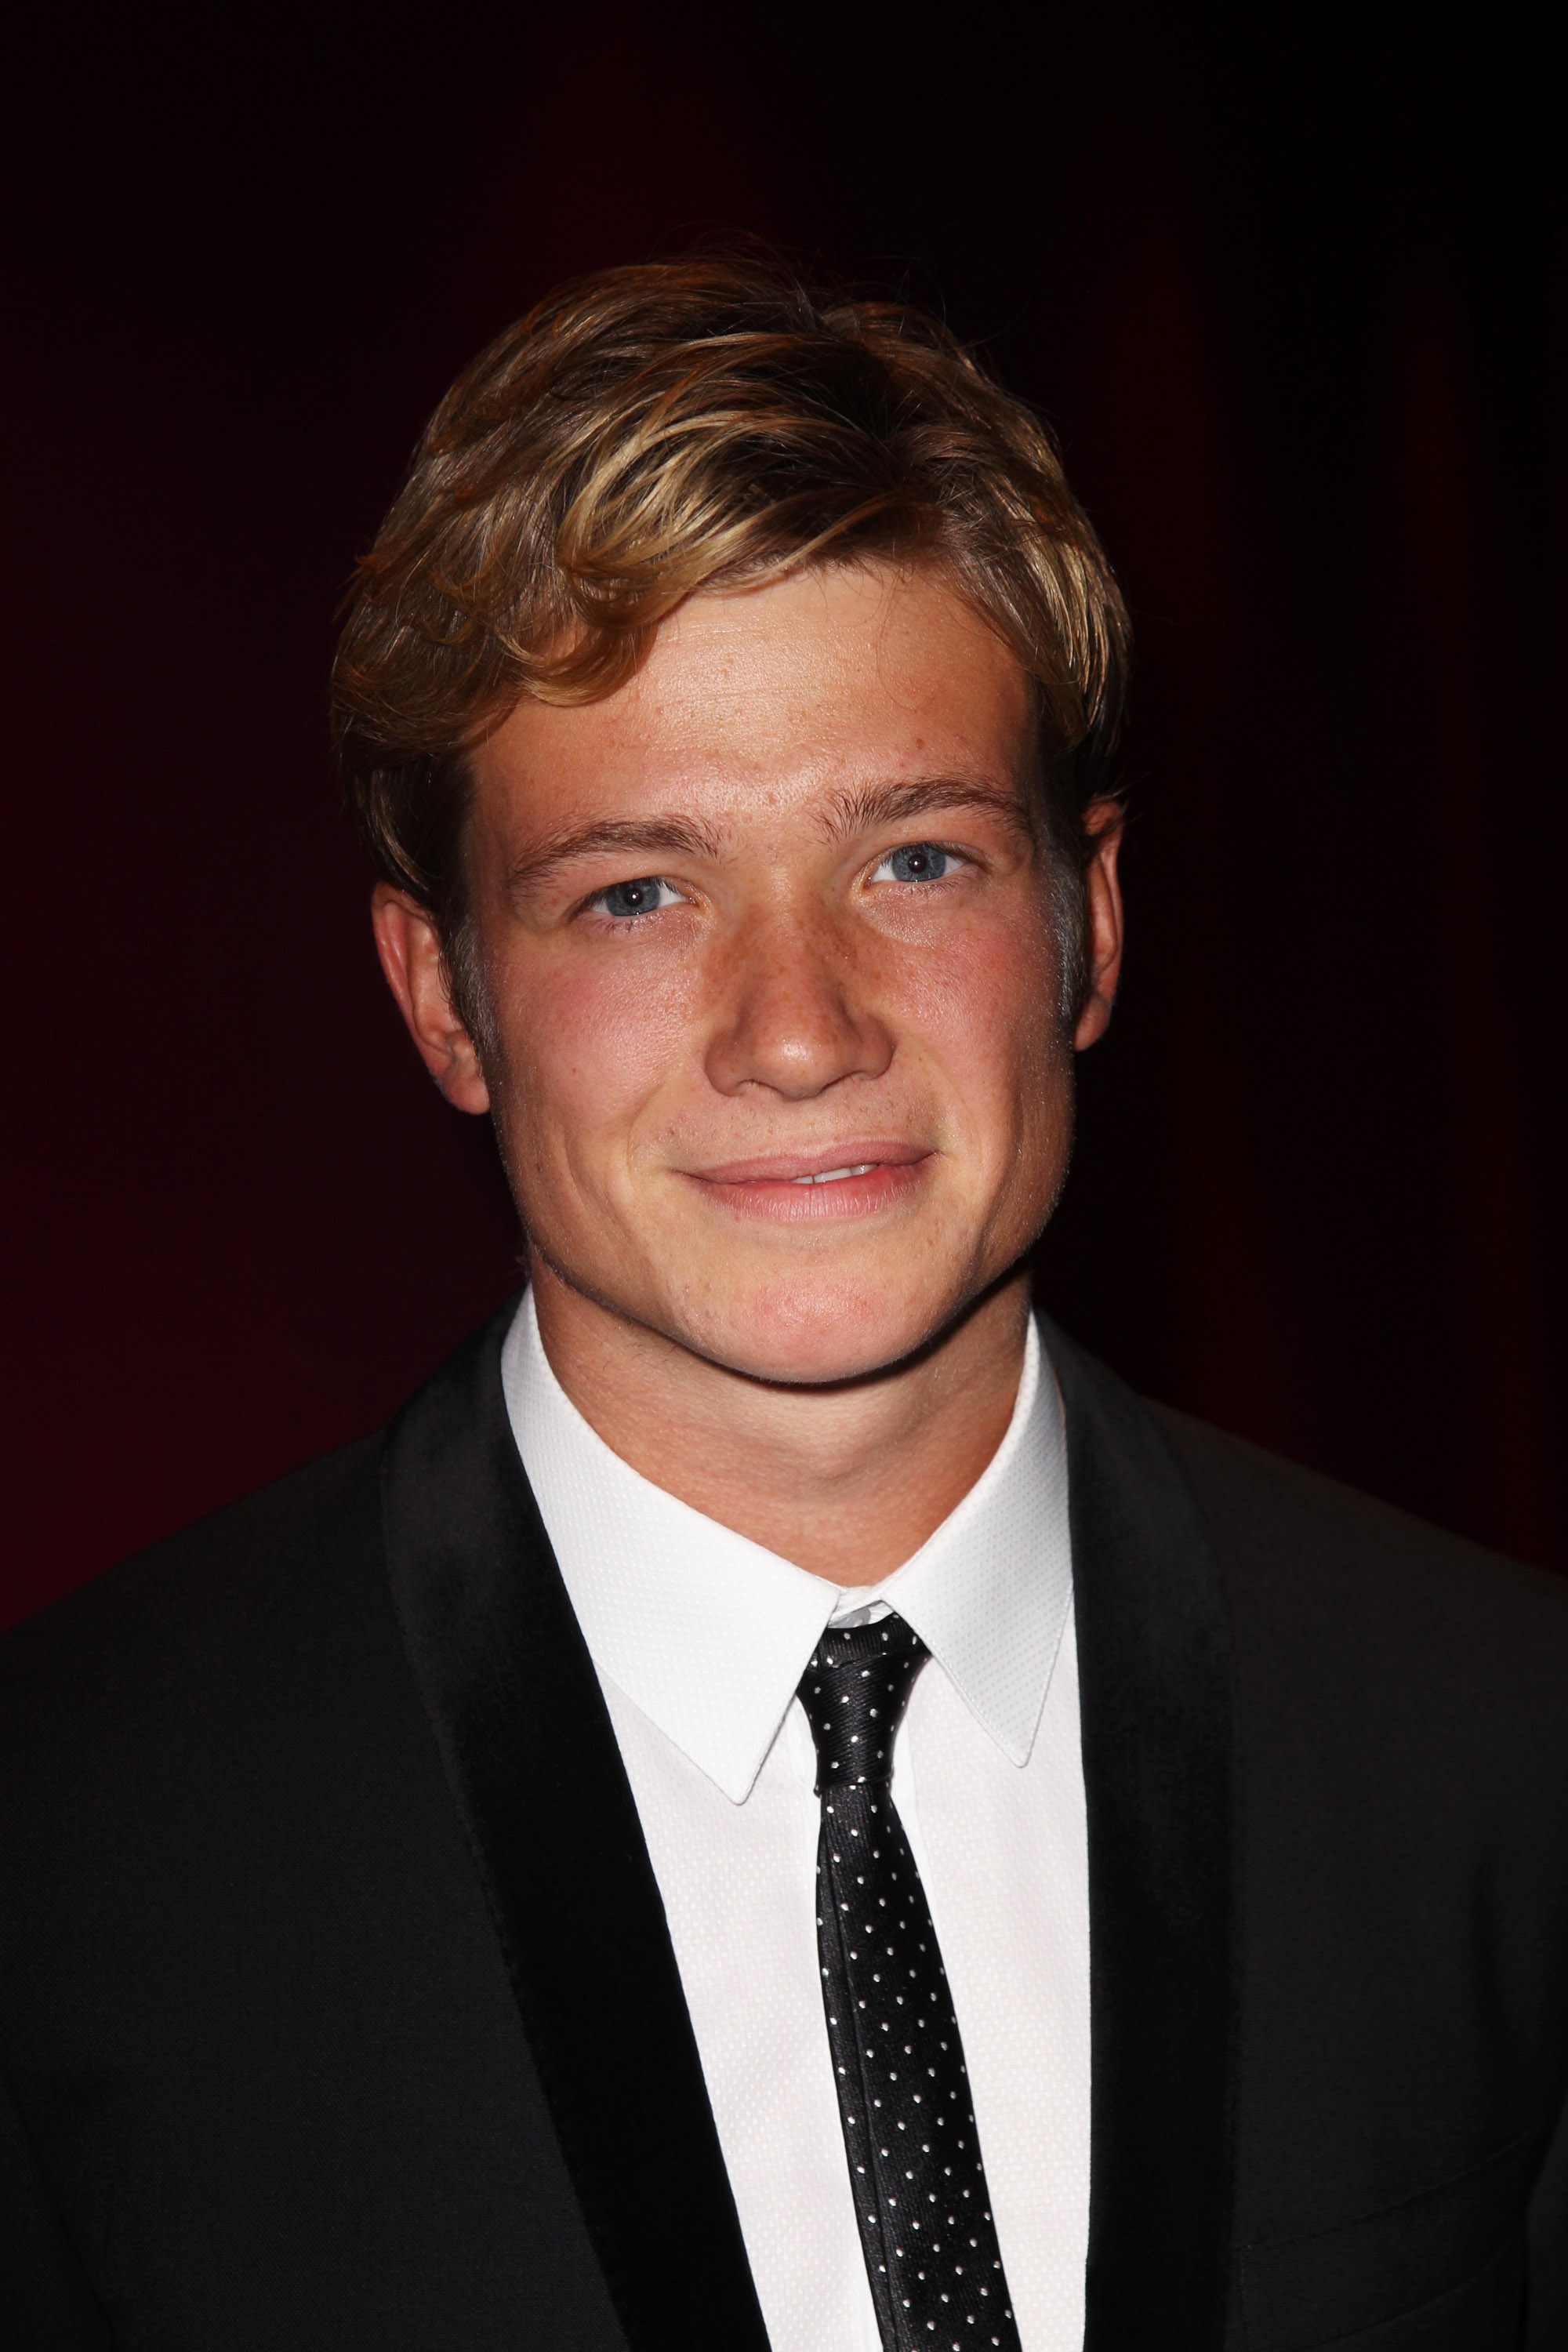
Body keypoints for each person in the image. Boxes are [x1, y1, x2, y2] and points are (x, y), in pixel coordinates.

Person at [2, 258, 1565, 2352]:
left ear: (1088, 922)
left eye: (914, 859)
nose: (801, 1028)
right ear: (442, 996)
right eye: (636, 894)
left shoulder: (1505, 1753)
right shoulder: (67, 1857)